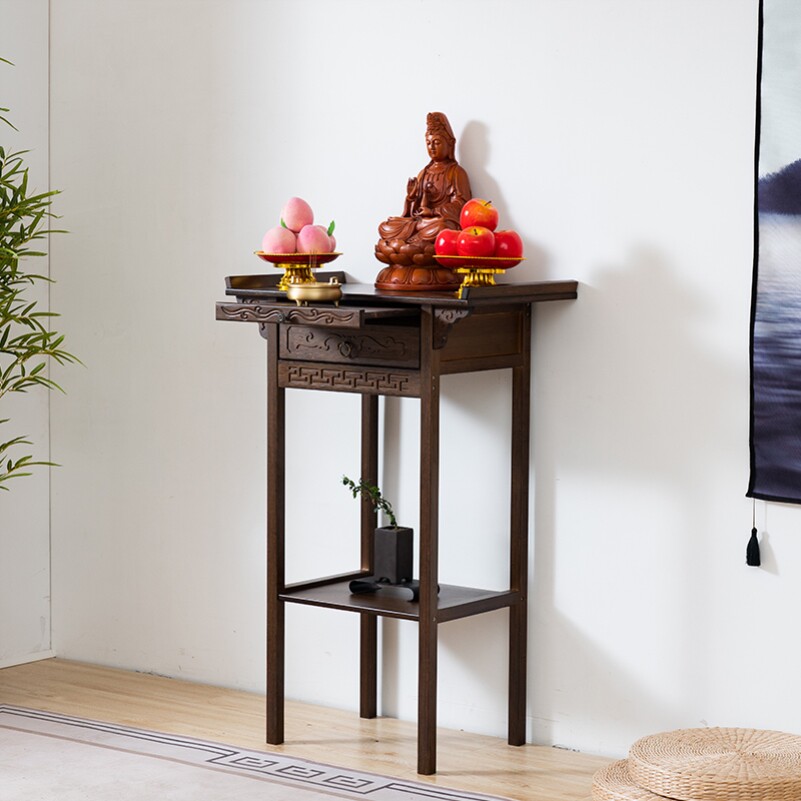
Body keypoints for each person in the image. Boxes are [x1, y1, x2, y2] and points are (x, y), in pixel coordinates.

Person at [376, 112, 472, 268]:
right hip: (420, 223)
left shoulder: (456, 173)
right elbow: (413, 213)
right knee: (387, 226)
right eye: (428, 143)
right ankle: (413, 244)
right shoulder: (424, 173)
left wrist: (433, 212)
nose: (432, 147)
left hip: (437, 223)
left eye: (437, 143)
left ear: (450, 144)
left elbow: (461, 205)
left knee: (443, 227)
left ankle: (409, 245)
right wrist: (411, 198)